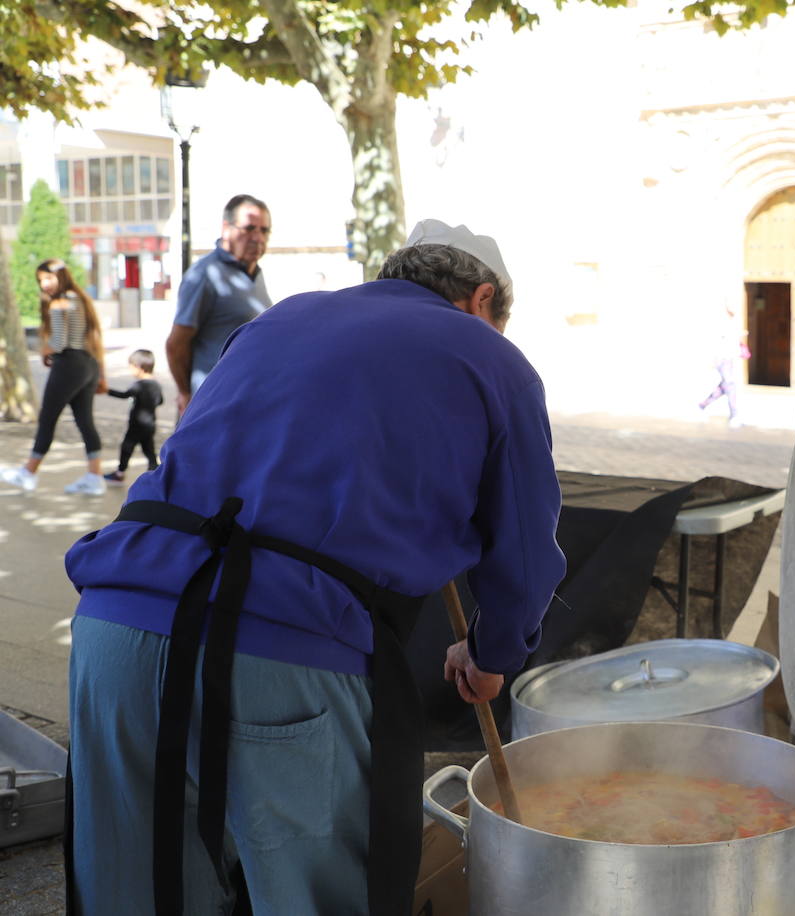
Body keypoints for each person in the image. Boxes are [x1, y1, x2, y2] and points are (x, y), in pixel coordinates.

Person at [64, 220, 566, 914]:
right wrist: (490, 655)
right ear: (483, 299)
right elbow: (527, 553)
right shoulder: (492, 358)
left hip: (115, 623)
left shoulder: (282, 318)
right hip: (287, 652)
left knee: (136, 893)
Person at [0, 259, 107, 495]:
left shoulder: (59, 303)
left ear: (61, 275)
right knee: (85, 422)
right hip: (87, 364)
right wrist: (101, 374)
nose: (44, 284)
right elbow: (94, 339)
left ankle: (27, 473)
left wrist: (44, 350)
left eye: (48, 278)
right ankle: (94, 477)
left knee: (47, 419)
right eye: (41, 281)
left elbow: (58, 342)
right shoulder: (80, 299)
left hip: (68, 365)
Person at [165, 193, 273, 417]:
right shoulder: (206, 273)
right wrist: (186, 393)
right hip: (212, 405)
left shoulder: (256, 274)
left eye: (264, 230)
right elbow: (176, 345)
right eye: (249, 228)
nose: (257, 238)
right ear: (226, 228)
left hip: (246, 399)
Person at [103, 348, 164, 484]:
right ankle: (155, 472)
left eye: (131, 367)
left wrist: (107, 390)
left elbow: (124, 395)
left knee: (126, 447)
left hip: (136, 424)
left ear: (138, 367)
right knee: (148, 449)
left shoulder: (138, 386)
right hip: (150, 424)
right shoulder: (157, 385)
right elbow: (160, 401)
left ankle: (119, 473)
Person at [697, 306, 749, 427]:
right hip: (723, 360)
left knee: (724, 387)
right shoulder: (722, 324)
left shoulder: (732, 323)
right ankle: (734, 415)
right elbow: (720, 344)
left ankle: (702, 405)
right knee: (730, 386)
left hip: (728, 360)